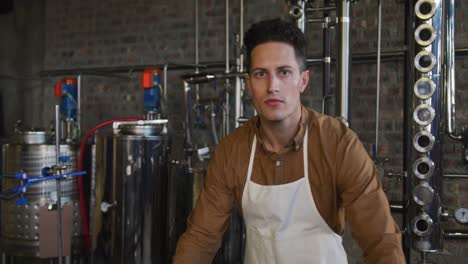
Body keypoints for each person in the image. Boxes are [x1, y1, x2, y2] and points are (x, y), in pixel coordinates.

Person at [174, 18, 405, 263]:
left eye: (284, 72)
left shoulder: (337, 144)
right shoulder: (232, 151)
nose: (272, 86)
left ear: (302, 80)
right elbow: (201, 237)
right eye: (261, 74)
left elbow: (380, 239)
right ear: (249, 84)